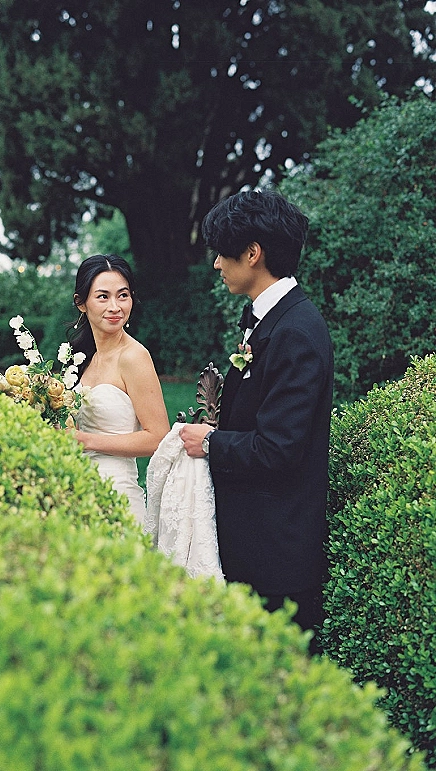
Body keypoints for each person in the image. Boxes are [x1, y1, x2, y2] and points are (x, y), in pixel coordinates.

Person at [179, 189, 334, 653]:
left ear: (253, 253)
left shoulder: (296, 333)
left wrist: (210, 442)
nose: (216, 264)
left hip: (278, 559)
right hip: (253, 548)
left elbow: (278, 449)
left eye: (222, 252)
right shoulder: (268, 323)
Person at [69, 254, 170, 524]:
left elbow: (158, 437)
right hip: (77, 490)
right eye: (103, 297)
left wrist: (86, 441)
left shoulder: (134, 357)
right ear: (81, 303)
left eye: (122, 296)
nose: (115, 306)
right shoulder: (82, 356)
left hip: (117, 495)